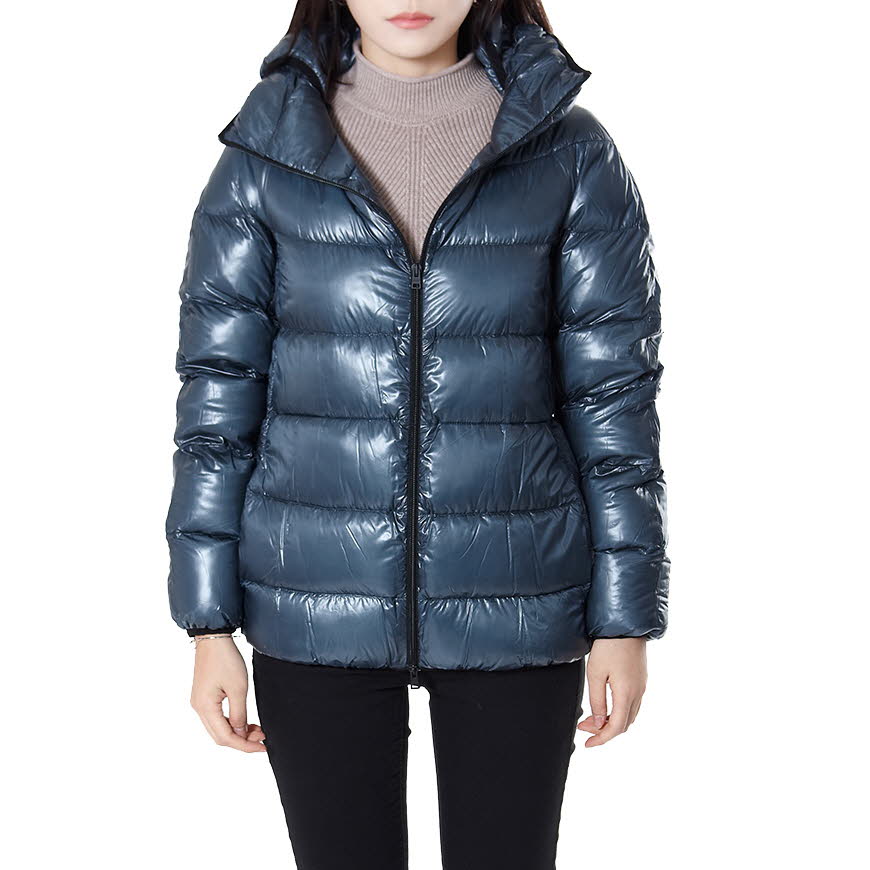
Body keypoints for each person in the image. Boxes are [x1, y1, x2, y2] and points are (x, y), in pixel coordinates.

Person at [166, 1, 669, 867]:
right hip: (312, 600)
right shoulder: (264, 157)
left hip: (519, 596)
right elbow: (217, 407)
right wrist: (208, 627)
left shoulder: (570, 152)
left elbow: (615, 401)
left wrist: (625, 621)